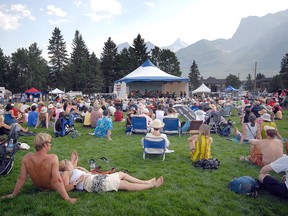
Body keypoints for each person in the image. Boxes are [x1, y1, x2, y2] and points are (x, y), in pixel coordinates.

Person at [0, 133, 77, 203]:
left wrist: (13, 194)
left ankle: (72, 163)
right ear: (45, 144)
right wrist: (68, 199)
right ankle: (73, 165)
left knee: (61, 168)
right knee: (67, 172)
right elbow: (57, 180)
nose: (50, 145)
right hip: (51, 186)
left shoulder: (27, 158)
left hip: (38, 186)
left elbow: (22, 178)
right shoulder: (52, 158)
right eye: (50, 143)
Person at [59, 155, 164, 193]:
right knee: (124, 184)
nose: (69, 162)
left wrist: (84, 170)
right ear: (64, 167)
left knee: (122, 174)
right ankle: (152, 185)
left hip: (94, 178)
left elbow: (87, 174)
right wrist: (78, 180)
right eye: (67, 163)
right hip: (91, 184)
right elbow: (65, 189)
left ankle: (145, 182)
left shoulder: (74, 169)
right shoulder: (65, 174)